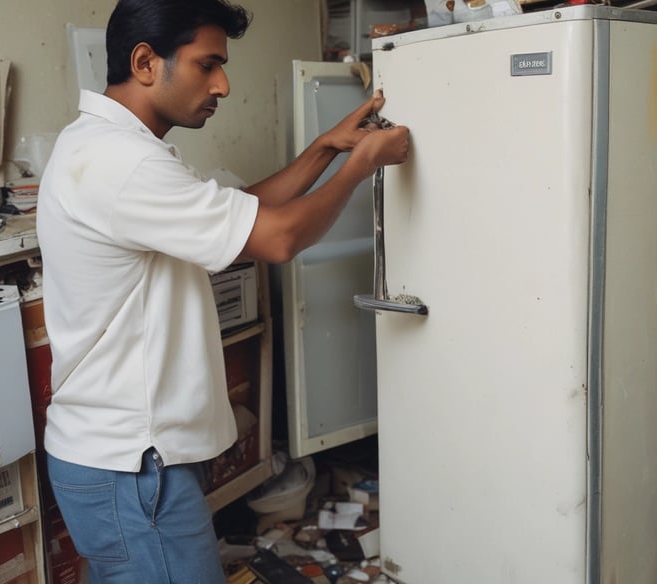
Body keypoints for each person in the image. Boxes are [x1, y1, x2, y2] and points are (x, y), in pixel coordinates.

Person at [35, 0, 409, 582]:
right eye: (207, 65)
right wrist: (361, 166)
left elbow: (242, 213)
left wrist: (327, 149)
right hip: (132, 466)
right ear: (144, 62)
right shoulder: (121, 162)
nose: (224, 84)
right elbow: (278, 239)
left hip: (123, 461)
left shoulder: (109, 148)